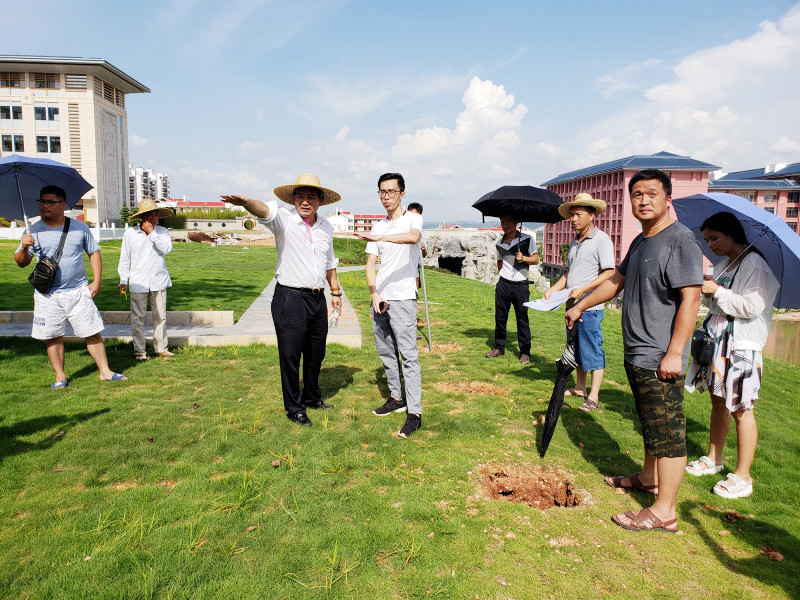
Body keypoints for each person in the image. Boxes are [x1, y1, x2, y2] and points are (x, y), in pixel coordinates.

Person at [565, 169, 702, 533]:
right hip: (637, 351)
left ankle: (665, 511)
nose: (644, 200)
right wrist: (580, 306)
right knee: (650, 422)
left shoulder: (680, 240)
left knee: (669, 432)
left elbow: (691, 299)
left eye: (652, 194)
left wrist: (675, 353)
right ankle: (647, 478)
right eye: (637, 194)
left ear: (668, 199)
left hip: (661, 355)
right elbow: (616, 281)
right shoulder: (641, 241)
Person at [221, 174, 342, 427]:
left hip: (317, 298)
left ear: (320, 201)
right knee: (290, 355)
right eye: (300, 196)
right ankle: (294, 408)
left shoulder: (326, 227)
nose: (305, 202)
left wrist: (335, 291)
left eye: (311, 197)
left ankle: (311, 396)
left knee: (316, 353)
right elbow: (264, 210)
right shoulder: (284, 220)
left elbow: (329, 261)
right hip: (290, 297)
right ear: (294, 198)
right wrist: (246, 202)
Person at [684, 212, 779, 499]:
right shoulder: (725, 264)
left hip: (741, 347)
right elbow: (716, 304)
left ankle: (743, 475)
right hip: (717, 342)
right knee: (718, 401)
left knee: (741, 407)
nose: (710, 244)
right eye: (707, 240)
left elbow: (752, 306)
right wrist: (710, 291)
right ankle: (715, 457)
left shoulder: (756, 265)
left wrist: (718, 291)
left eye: (714, 238)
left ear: (731, 234)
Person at [14, 185, 128, 388]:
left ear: (63, 205)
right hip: (47, 294)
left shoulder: (79, 228)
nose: (44, 206)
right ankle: (60, 377)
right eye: (41, 201)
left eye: (50, 202)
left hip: (77, 291)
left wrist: (97, 280)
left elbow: (94, 253)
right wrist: (23, 246)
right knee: (53, 336)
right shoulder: (33, 231)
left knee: (92, 331)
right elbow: (21, 262)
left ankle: (105, 371)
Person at [355, 173, 423, 438]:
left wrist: (378, 240)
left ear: (402, 194)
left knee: (408, 356)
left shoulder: (412, 219)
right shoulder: (378, 227)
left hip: (403, 298)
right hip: (380, 298)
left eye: (391, 192)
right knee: (386, 352)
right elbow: (370, 266)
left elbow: (412, 238)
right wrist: (374, 293)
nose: (386, 197)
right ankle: (397, 398)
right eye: (382, 192)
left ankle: (415, 413)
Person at [544, 193, 614, 411]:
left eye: (579, 215)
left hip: (590, 306)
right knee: (575, 347)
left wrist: (584, 289)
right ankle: (580, 387)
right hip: (571, 305)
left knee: (592, 348)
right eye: (572, 215)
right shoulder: (575, 242)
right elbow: (569, 273)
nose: (574, 219)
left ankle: (593, 397)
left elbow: (609, 272)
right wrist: (551, 291)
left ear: (592, 215)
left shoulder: (601, 239)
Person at [118, 198, 175, 360]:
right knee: (137, 319)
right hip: (138, 282)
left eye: (156, 214)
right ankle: (140, 351)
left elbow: (166, 249)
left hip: (159, 280)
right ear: (142, 216)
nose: (153, 218)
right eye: (150, 215)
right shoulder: (130, 233)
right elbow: (125, 258)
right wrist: (123, 279)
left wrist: (152, 233)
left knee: (160, 317)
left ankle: (161, 348)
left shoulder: (162, 232)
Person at [485, 214, 538, 364]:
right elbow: (499, 262)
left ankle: (525, 352)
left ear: (516, 222)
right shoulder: (499, 243)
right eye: (502, 222)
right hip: (503, 284)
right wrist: (503, 277)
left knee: (522, 319)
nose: (505, 224)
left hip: (521, 285)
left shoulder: (527, 239)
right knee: (500, 317)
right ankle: (499, 347)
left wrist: (524, 259)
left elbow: (535, 259)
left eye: (508, 221)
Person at [407, 202, 427, 290]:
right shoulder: (403, 230)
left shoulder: (422, 235)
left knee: (413, 295)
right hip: (401, 269)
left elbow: (424, 255)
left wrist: (423, 249)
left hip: (414, 270)